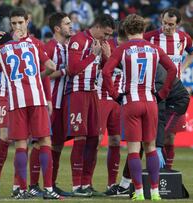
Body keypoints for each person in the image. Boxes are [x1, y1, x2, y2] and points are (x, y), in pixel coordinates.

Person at [0, 7, 61, 200]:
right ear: (11, 24)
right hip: (18, 96)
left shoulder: (2, 47)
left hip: (16, 99)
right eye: (13, 23)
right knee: (32, 141)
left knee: (20, 144)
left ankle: (20, 188)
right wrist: (37, 80)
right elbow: (51, 67)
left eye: (19, 22)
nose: (16, 26)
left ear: (27, 21)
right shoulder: (34, 44)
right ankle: (1, 182)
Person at [102, 14, 177, 201]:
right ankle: (155, 192)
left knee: (134, 150)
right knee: (151, 148)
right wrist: (163, 93)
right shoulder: (155, 49)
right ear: (143, 30)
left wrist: (114, 94)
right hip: (151, 102)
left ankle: (138, 192)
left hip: (131, 102)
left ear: (126, 31)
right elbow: (173, 70)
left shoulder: (123, 49)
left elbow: (106, 71)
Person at [64, 13, 114, 196]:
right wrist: (93, 55)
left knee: (94, 139)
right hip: (77, 93)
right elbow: (72, 70)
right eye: (106, 34)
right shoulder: (78, 40)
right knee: (80, 138)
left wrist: (107, 57)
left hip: (93, 92)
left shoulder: (100, 44)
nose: (107, 38)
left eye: (110, 35)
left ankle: (86, 183)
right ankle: (76, 185)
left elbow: (104, 70)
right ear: (98, 27)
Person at [144, 7, 193, 170]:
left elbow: (192, 54)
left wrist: (182, 69)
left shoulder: (183, 38)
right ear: (161, 19)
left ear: (178, 24)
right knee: (153, 133)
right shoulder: (150, 37)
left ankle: (167, 171)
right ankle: (154, 169)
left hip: (174, 91)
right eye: (165, 23)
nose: (167, 27)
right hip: (155, 91)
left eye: (171, 25)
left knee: (170, 136)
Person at [43, 12, 72, 196]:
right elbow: (43, 73)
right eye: (67, 24)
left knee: (58, 144)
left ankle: (51, 184)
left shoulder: (67, 47)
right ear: (57, 28)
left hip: (63, 103)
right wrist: (64, 72)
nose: (71, 26)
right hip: (51, 102)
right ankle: (34, 185)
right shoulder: (51, 47)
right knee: (42, 143)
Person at [96, 21, 127, 194]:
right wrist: (107, 57)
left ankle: (111, 184)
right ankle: (85, 183)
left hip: (118, 99)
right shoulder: (106, 44)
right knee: (96, 141)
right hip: (101, 97)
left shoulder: (132, 47)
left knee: (115, 140)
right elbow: (101, 68)